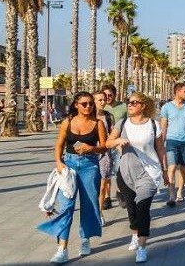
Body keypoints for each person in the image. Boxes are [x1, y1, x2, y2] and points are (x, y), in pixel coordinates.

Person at [38, 91, 107, 264]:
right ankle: (62, 248)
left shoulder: (98, 123)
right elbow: (59, 145)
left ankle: (85, 239)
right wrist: (59, 163)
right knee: (66, 207)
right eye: (84, 104)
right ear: (76, 105)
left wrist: (91, 148)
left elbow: (104, 147)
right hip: (68, 166)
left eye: (91, 103)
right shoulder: (67, 122)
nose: (89, 106)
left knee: (89, 204)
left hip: (89, 166)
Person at [106, 92, 166, 263]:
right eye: (128, 102)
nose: (129, 105)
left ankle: (142, 246)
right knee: (131, 209)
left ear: (143, 105)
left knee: (142, 208)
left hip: (149, 174)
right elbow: (107, 142)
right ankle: (134, 232)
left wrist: (165, 171)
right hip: (125, 173)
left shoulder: (154, 125)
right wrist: (117, 141)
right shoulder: (122, 123)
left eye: (133, 102)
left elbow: (160, 149)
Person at [160, 83, 185, 207]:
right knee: (171, 167)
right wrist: (161, 141)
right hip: (171, 141)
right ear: (177, 92)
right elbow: (163, 125)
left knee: (183, 168)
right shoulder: (166, 107)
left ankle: (180, 191)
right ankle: (171, 195)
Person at [102, 85, 128, 208]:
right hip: (104, 144)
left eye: (110, 95)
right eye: (105, 95)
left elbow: (129, 123)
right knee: (106, 172)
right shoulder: (101, 107)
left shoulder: (123, 107)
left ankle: (120, 192)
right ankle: (107, 197)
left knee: (119, 170)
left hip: (119, 144)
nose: (107, 97)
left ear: (115, 94)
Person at [93, 91, 115, 224]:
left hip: (105, 154)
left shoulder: (108, 116)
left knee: (102, 186)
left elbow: (112, 134)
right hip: (89, 154)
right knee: (92, 187)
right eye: (99, 100)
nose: (103, 102)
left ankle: (99, 213)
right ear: (94, 101)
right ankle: (93, 211)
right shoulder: (87, 116)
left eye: (104, 99)